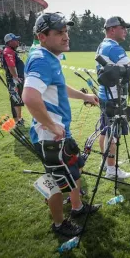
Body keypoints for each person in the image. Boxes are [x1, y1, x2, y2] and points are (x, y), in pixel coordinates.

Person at [22, 12, 101, 237]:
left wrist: (85, 97)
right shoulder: (41, 59)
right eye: (59, 32)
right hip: (50, 136)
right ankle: (58, 224)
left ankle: (76, 207)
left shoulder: (49, 56)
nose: (66, 36)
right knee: (54, 182)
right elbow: (28, 96)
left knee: (75, 167)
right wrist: (52, 126)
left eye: (66, 31)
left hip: (58, 132)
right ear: (42, 36)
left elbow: (58, 88)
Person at [96, 16, 130, 179]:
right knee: (112, 134)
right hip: (114, 97)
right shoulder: (113, 47)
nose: (126, 31)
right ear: (112, 29)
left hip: (106, 95)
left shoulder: (103, 45)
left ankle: (107, 162)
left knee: (105, 131)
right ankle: (111, 169)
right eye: (123, 28)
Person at [2, 33, 26, 126]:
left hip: (16, 79)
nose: (17, 42)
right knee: (16, 99)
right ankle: (17, 120)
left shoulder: (11, 50)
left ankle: (19, 118)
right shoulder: (8, 51)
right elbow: (11, 66)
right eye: (15, 40)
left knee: (18, 99)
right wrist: (16, 77)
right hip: (14, 79)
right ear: (10, 42)